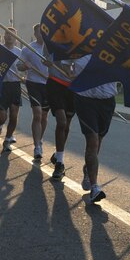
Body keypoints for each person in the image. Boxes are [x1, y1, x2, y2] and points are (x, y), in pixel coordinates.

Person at [70, 54, 118, 203]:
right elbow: (64, 63)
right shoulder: (79, 49)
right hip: (85, 100)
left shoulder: (116, 50)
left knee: (98, 140)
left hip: (107, 102)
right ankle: (94, 187)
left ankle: (88, 169)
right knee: (93, 141)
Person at [18, 24, 50, 159]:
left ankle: (40, 139)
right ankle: (37, 146)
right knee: (37, 114)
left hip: (48, 84)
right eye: (39, 32)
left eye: (44, 32)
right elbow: (19, 66)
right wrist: (24, 66)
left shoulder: (51, 48)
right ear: (35, 34)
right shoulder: (28, 49)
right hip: (34, 83)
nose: (42, 34)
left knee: (44, 116)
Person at [45, 50, 76, 180]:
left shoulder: (78, 39)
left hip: (73, 86)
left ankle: (58, 154)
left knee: (67, 125)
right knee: (61, 122)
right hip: (55, 83)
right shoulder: (51, 36)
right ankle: (60, 163)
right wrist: (47, 61)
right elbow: (45, 58)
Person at [0, 28, 24, 150]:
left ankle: (7, 139)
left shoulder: (20, 52)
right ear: (4, 36)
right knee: (2, 116)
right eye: (7, 34)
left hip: (15, 85)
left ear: (16, 38)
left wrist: (25, 68)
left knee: (13, 115)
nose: (9, 36)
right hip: (1, 85)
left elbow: (21, 67)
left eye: (12, 34)